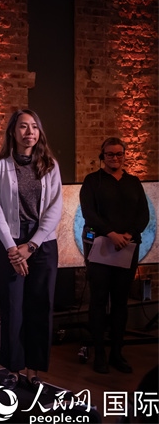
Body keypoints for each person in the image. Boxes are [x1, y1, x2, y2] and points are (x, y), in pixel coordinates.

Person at [0, 109, 62, 390]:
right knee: (12, 307)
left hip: (43, 243)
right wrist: (12, 249)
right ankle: (13, 369)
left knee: (40, 306)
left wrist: (31, 245)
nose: (29, 132)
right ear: (13, 131)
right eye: (23, 126)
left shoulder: (50, 165)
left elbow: (55, 208)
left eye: (34, 127)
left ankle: (34, 369)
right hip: (10, 241)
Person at [79, 137, 149, 375]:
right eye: (110, 154)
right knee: (98, 301)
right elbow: (89, 213)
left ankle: (117, 353)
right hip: (101, 247)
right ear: (103, 156)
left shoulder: (133, 182)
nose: (115, 158)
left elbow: (143, 214)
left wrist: (128, 234)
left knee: (120, 303)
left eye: (119, 154)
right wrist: (111, 234)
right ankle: (99, 354)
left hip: (127, 248)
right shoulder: (92, 181)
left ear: (124, 155)